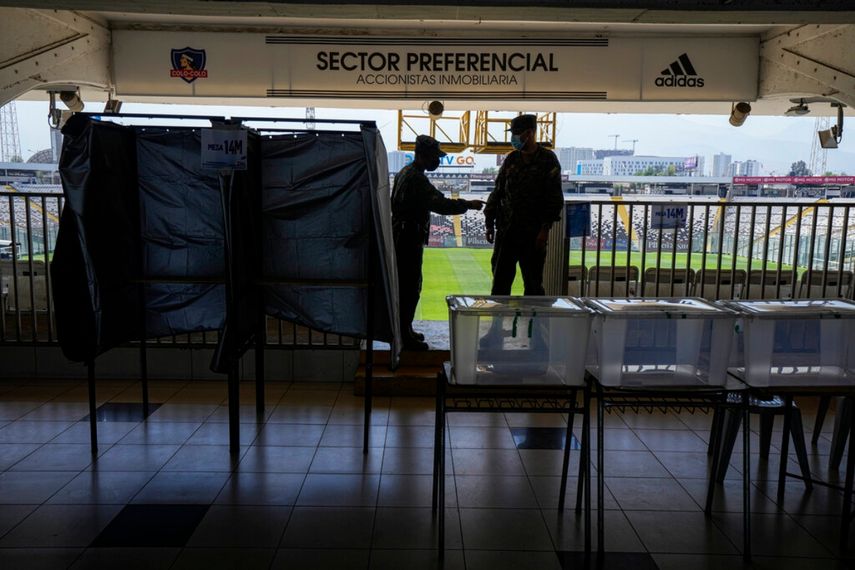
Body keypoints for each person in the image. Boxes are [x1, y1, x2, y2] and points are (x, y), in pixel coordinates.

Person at [392, 135, 484, 350]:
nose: (438, 161)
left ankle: (404, 329)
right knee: (410, 287)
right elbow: (440, 204)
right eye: (435, 157)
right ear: (423, 155)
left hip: (402, 235)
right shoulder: (416, 178)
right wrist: (467, 204)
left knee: (406, 286)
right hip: (407, 238)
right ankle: (404, 336)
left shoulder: (404, 173)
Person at [484, 114, 563, 296]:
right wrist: (489, 222)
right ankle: (498, 324)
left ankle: (535, 324)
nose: (514, 138)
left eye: (517, 133)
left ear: (530, 133)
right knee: (500, 284)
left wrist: (544, 230)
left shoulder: (548, 160)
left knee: (533, 285)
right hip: (507, 232)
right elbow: (498, 191)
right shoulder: (511, 159)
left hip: (533, 235)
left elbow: (554, 199)